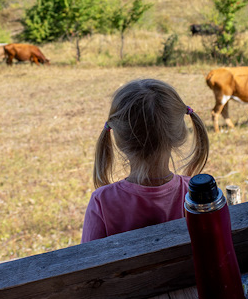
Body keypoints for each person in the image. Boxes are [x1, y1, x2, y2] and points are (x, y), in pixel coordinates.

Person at [82, 78, 209, 242]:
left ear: (119, 139)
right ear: (180, 134)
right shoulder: (197, 194)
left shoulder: (102, 202)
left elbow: (89, 261)